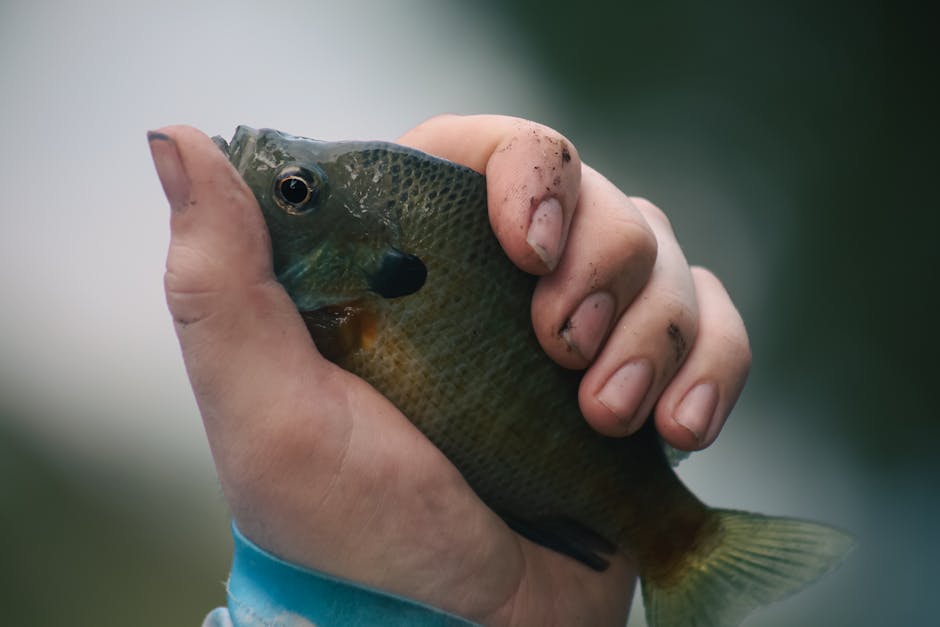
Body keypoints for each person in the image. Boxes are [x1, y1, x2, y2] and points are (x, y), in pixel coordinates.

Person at [148, 115, 751, 626]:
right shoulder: (322, 329)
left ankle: (675, 533)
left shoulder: (344, 312)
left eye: (296, 192)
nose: (274, 189)